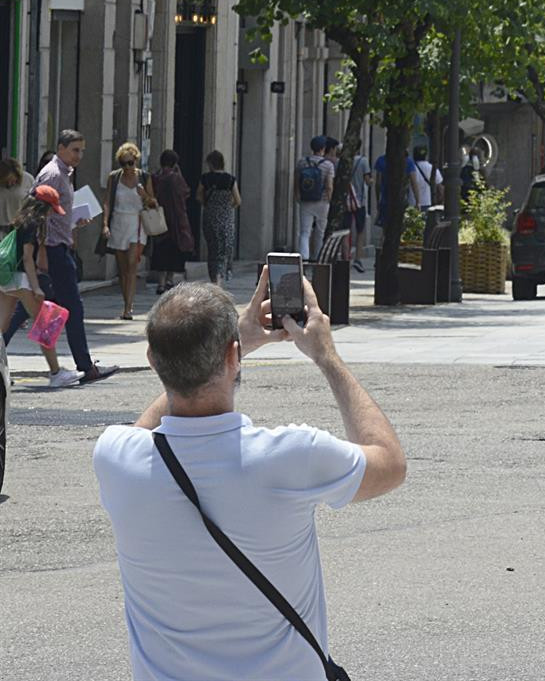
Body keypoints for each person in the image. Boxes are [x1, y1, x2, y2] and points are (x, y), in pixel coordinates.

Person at [94, 271, 406, 680]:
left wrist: (232, 347)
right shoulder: (291, 455)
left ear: (152, 360)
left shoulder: (115, 457)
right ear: (232, 357)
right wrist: (326, 355)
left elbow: (153, 424)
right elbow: (390, 463)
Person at [5, 132, 116, 384]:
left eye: (82, 151)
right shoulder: (53, 174)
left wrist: (73, 221)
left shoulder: (64, 173)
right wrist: (43, 252)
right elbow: (37, 214)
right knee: (70, 308)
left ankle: (61, 369)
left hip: (56, 248)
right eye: (75, 150)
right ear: (61, 148)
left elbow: (53, 215)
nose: (79, 156)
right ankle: (82, 367)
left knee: (32, 309)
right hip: (52, 251)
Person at [0, 186, 65, 384]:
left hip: (7, 278)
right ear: (43, 207)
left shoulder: (19, 221)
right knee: (45, 325)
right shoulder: (33, 224)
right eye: (50, 209)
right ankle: (56, 373)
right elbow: (28, 259)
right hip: (21, 279)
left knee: (1, 328)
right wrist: (36, 287)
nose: (50, 214)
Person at [105, 143, 157, 319]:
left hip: (137, 223)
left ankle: (128, 307)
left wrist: (144, 195)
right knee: (122, 269)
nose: (127, 167)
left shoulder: (144, 177)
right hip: (119, 222)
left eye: (130, 163)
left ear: (136, 161)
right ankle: (126, 301)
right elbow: (107, 203)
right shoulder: (114, 178)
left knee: (132, 264)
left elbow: (153, 203)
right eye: (124, 163)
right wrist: (105, 224)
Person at [149, 151, 195, 290]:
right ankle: (169, 280)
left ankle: (161, 282)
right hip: (175, 219)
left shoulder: (155, 177)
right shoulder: (175, 178)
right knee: (174, 250)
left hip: (160, 218)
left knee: (161, 250)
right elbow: (185, 192)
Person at [197, 153, 240, 285]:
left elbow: (199, 197)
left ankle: (214, 279)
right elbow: (238, 200)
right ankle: (221, 278)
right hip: (226, 220)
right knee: (224, 250)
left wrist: (209, 205)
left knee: (212, 250)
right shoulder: (230, 179)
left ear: (210, 163)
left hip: (210, 218)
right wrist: (227, 208)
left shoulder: (205, 178)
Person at [293, 136, 333, 262]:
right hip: (322, 201)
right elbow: (329, 186)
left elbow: (296, 181)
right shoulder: (328, 165)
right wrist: (329, 199)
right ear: (323, 148)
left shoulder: (302, 162)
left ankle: (304, 257)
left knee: (305, 231)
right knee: (320, 231)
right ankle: (318, 257)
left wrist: (297, 195)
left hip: (306, 200)